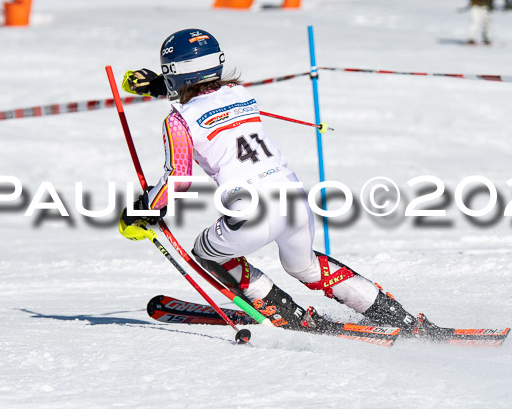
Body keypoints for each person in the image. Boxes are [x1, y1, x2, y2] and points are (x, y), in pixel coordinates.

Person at [117, 28, 440, 334]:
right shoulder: (238, 93)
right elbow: (206, 99)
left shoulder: (177, 121)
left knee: (207, 253)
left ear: (174, 71)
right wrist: (159, 87)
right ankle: (405, 321)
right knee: (305, 266)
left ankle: (285, 313)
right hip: (294, 197)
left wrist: (143, 210)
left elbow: (179, 178)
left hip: (252, 211)